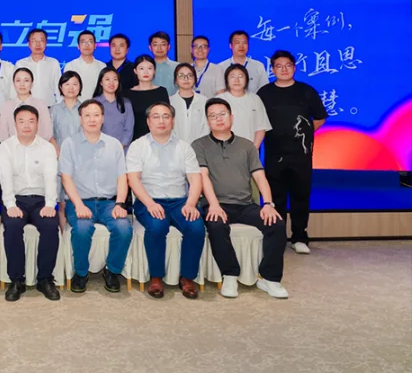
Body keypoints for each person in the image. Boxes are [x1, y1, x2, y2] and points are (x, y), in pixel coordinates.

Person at [194, 98, 289, 299]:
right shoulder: (199, 145)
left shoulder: (247, 146)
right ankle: (229, 275)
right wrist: (214, 205)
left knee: (276, 223)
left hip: (245, 205)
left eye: (222, 114)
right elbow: (203, 177)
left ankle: (270, 279)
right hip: (216, 204)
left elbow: (260, 177)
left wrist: (268, 204)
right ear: (207, 121)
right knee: (216, 225)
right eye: (213, 116)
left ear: (232, 117)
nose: (218, 119)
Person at [126, 102, 205, 299]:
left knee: (196, 227)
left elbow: (195, 179)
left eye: (166, 116)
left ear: (172, 121)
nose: (161, 121)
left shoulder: (184, 147)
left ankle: (187, 277)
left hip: (180, 201)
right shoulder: (138, 146)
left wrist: (191, 203)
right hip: (149, 200)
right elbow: (133, 179)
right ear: (148, 121)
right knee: (157, 226)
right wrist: (150, 204)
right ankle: (156, 278)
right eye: (156, 116)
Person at [257, 50, 327, 255]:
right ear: (272, 69)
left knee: (300, 196)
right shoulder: (264, 93)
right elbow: (258, 121)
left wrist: (304, 133)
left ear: (295, 68)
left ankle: (299, 237)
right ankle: (277, 237)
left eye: (288, 65)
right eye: (279, 66)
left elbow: (320, 118)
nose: (284, 69)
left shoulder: (306, 91)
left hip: (301, 155)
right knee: (275, 197)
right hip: (274, 154)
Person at [60, 99, 132, 293]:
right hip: (80, 201)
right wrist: (78, 205)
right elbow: (66, 178)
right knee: (82, 229)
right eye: (87, 115)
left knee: (124, 228)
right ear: (80, 119)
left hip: (109, 203)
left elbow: (122, 177)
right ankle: (81, 273)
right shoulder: (70, 143)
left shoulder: (114, 145)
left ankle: (112, 271)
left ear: (102, 118)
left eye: (96, 115)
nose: (92, 119)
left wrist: (120, 204)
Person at [0, 105, 61, 302]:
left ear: (37, 124)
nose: (26, 125)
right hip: (16, 199)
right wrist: (10, 205)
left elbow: (50, 177)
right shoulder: (5, 147)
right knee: (12, 226)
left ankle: (45, 279)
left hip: (41, 199)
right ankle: (17, 280)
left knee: (50, 226)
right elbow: (5, 178)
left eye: (31, 121)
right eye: (21, 121)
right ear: (15, 124)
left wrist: (50, 204)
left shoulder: (47, 147)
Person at [0, 67, 53, 146]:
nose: (22, 84)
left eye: (26, 80)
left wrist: (36, 146)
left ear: (32, 83)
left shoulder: (41, 105)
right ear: (13, 83)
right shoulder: (7, 106)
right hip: (12, 149)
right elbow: (2, 134)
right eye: (18, 80)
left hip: (38, 148)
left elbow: (47, 133)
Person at [221, 64, 271, 149]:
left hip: (250, 149)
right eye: (232, 77)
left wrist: (253, 150)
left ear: (247, 79)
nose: (237, 80)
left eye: (240, 76)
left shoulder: (255, 99)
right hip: (223, 149)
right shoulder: (219, 100)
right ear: (227, 80)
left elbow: (261, 127)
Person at [126, 55, 169, 143]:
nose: (146, 72)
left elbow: (167, 117)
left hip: (158, 139)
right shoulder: (127, 94)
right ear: (135, 71)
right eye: (141, 68)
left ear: (154, 71)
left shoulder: (161, 91)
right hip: (135, 140)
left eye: (149, 68)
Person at [15, 28, 61, 105]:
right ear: (29, 44)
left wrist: (60, 106)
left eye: (41, 40)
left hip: (49, 107)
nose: (38, 44)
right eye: (34, 41)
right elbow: (15, 89)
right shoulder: (21, 64)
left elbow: (58, 87)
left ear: (46, 43)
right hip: (26, 107)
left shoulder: (53, 63)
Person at [92, 66, 135, 149]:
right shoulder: (93, 103)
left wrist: (120, 147)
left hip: (122, 150)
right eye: (107, 79)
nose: (111, 83)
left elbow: (129, 129)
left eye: (115, 79)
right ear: (101, 82)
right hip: (99, 149)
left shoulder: (126, 104)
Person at [169, 63, 210, 143]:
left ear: (195, 79)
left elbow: (207, 127)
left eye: (190, 75)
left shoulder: (204, 101)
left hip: (200, 146)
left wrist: (198, 145)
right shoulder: (170, 102)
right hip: (175, 146)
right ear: (176, 80)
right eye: (181, 75)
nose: (186, 79)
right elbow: (168, 127)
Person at [63, 31, 105, 101]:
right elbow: (67, 89)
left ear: (95, 46)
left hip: (97, 104)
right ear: (78, 46)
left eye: (90, 42)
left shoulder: (102, 66)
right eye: (83, 42)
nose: (86, 45)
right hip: (76, 105)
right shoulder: (70, 66)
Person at [50, 71, 82, 150]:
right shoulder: (53, 110)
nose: (71, 88)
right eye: (67, 84)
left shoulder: (86, 109)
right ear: (61, 87)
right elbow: (50, 135)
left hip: (83, 154)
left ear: (80, 87)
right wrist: (58, 152)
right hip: (60, 154)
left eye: (74, 84)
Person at [149, 31, 179, 96]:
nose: (159, 48)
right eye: (155, 45)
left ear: (168, 47)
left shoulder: (178, 67)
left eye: (163, 44)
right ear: (150, 48)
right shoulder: (145, 68)